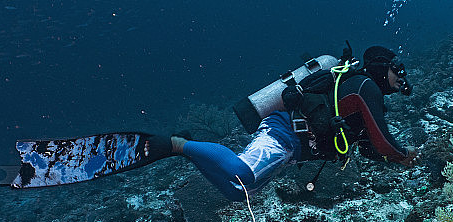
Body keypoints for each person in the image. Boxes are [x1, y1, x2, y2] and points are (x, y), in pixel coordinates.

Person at [169, 46, 420, 201]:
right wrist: (404, 154)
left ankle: (188, 149)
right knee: (241, 173)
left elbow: (368, 148)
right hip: (284, 131)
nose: (401, 77)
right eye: (396, 69)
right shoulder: (365, 86)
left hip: (295, 149)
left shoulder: (363, 93)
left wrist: (395, 158)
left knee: (238, 192)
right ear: (381, 67)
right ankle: (176, 144)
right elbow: (384, 143)